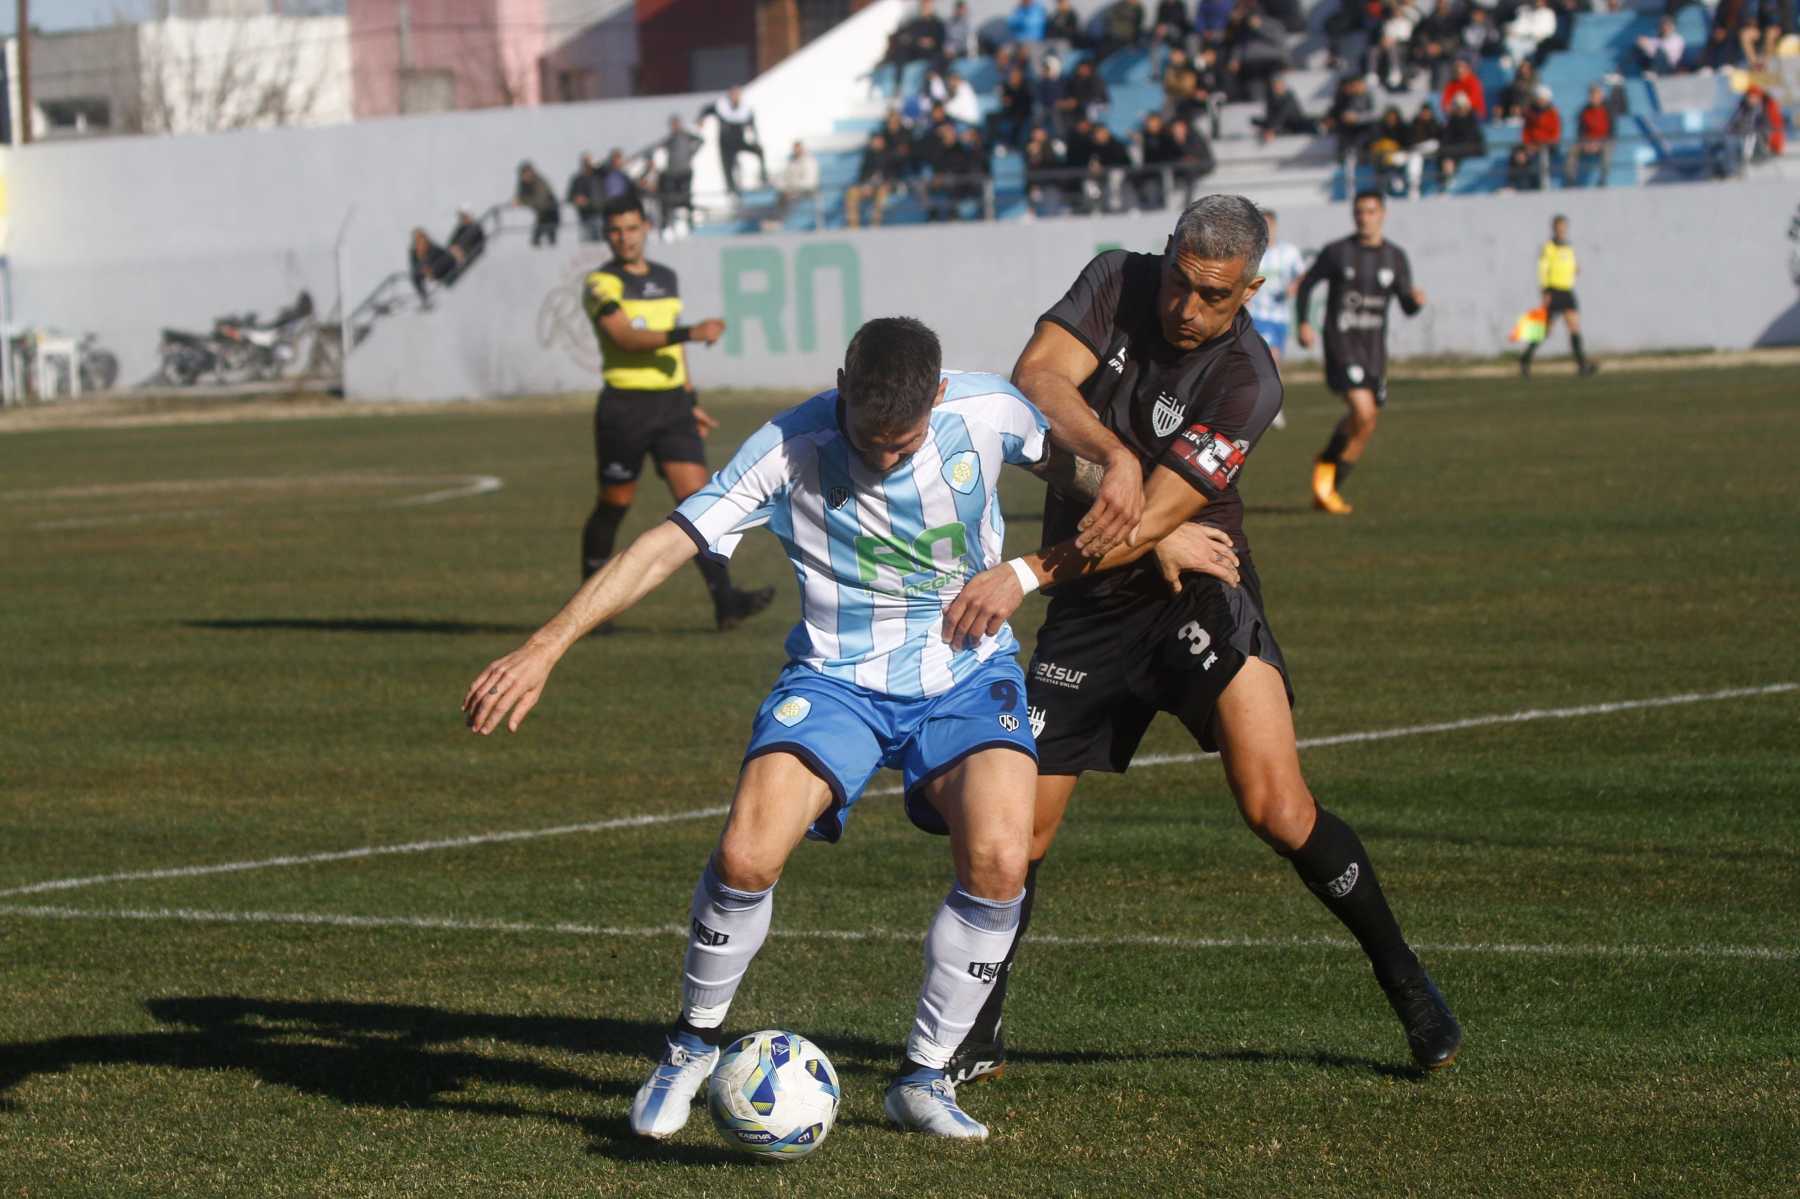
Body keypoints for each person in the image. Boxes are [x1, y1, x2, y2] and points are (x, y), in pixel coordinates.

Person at [465, 318, 1066, 1142]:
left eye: (904, 442)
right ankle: (690, 1045)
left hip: (966, 674)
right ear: (842, 385)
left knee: (1001, 858)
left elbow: (1110, 485)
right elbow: (663, 544)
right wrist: (546, 645)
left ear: (937, 396)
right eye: (868, 437)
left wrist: (1046, 564)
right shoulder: (788, 444)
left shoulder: (991, 411)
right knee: (746, 853)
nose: (885, 458)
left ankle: (925, 1074)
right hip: (833, 678)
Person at [937, 195, 1462, 1086]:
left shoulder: (1248, 379)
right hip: (1092, 608)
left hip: (1197, 593)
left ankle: (1405, 978)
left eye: (1212, 295)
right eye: (1180, 281)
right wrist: (1123, 457)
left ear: (1251, 287)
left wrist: (1031, 570)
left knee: (1277, 808)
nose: (1187, 307)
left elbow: (1157, 525)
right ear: (1167, 254)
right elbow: (1037, 377)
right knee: (1016, 834)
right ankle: (977, 1028)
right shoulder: (1116, 278)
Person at [578, 195, 772, 630]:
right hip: (625, 408)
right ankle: (591, 607)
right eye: (614, 230)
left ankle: (726, 601)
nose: (623, 237)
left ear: (646, 227)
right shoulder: (600, 283)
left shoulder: (666, 278)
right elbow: (625, 337)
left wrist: (691, 401)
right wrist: (692, 331)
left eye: (630, 227)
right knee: (614, 505)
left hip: (671, 407)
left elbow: (675, 352)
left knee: (701, 503)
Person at [1295, 190, 1425, 515]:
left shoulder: (1395, 257)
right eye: (1359, 212)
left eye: (1370, 211)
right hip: (1342, 344)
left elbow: (1407, 306)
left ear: (1383, 214)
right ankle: (1326, 474)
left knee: (1365, 423)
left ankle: (1327, 486)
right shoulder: (1338, 252)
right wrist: (1304, 324)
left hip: (1374, 351)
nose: (1364, 218)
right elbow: (1307, 284)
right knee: (1363, 412)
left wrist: (1416, 302)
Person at [1246, 208, 1305, 428]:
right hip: (1257, 315)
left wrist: (1294, 286)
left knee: (1273, 361)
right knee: (1270, 357)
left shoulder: (1288, 252)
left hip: (1280, 315)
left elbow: (1302, 274)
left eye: (1270, 225)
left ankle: (1267, 404)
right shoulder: (1251, 254)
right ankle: (1272, 408)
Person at [1521, 214, 1598, 379]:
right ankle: (1525, 359)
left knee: (1574, 327)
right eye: (1559, 226)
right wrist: (1545, 291)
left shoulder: (1568, 247)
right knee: (1545, 331)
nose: (1562, 229)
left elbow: (1570, 264)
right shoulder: (1548, 247)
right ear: (1554, 228)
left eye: (1564, 226)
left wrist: (1575, 269)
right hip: (1553, 291)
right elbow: (1543, 269)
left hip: (1567, 291)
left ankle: (1582, 365)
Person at [703, 87, 767, 197]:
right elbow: (706, 110)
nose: (736, 97)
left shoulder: (745, 109)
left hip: (739, 140)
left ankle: (763, 175)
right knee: (728, 165)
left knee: (759, 150)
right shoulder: (722, 107)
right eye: (733, 94)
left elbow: (751, 123)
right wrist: (701, 119)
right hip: (726, 143)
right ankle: (730, 188)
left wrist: (754, 135)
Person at [654, 116, 705, 235]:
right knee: (670, 199)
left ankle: (690, 223)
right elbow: (660, 146)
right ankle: (669, 225)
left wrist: (691, 153)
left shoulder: (686, 136)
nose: (675, 127)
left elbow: (701, 141)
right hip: (672, 172)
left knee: (686, 198)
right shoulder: (670, 138)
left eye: (676, 124)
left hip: (685, 172)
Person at [845, 132, 901, 228]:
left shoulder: (890, 155)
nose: (876, 143)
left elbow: (892, 173)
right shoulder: (867, 156)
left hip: (885, 186)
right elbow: (862, 174)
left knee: (882, 192)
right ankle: (853, 225)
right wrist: (865, 185)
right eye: (874, 141)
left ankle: (875, 224)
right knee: (851, 192)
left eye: (878, 141)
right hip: (868, 186)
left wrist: (884, 183)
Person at [1437, 90, 1486, 185]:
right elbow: (1447, 137)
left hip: (1473, 147)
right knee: (1445, 152)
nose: (1460, 109)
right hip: (1457, 148)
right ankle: (1445, 178)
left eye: (1461, 106)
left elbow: (1471, 138)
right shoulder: (1452, 120)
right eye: (1458, 106)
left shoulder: (1472, 119)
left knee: (1449, 152)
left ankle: (1448, 177)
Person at [1569, 85, 1612, 187]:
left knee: (1607, 151)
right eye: (1592, 96)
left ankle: (1603, 179)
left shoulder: (1608, 111)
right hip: (1587, 141)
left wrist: (1598, 143)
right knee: (1572, 150)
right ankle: (1571, 179)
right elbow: (1580, 131)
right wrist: (1585, 143)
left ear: (1601, 96)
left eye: (1596, 95)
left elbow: (1612, 132)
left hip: (1603, 141)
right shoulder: (1584, 111)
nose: (1594, 98)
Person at [771, 140, 820, 228]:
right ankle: (778, 221)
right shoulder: (791, 161)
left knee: (787, 195)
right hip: (791, 190)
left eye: (798, 148)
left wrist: (793, 188)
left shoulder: (810, 161)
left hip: (807, 190)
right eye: (795, 149)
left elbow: (809, 182)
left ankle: (780, 221)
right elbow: (783, 177)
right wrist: (783, 187)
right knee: (781, 194)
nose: (796, 150)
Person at [1255, 73, 1316, 140]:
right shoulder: (1271, 98)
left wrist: (1271, 129)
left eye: (1279, 85)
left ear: (1284, 86)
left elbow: (1282, 115)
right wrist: (1268, 127)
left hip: (1294, 124)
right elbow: (1270, 115)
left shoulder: (1289, 98)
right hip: (1280, 125)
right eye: (1275, 85)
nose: (1277, 87)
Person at [515, 162, 560, 248]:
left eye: (527, 172)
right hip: (541, 212)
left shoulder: (539, 181)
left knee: (551, 237)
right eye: (523, 174)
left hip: (550, 211)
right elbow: (520, 197)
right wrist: (519, 201)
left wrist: (523, 201)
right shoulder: (523, 184)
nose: (525, 176)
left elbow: (539, 200)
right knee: (536, 239)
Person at [407, 228, 456, 304]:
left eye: (422, 238)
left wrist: (429, 270)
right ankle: (424, 297)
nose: (421, 241)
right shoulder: (413, 252)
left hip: (441, 269)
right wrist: (422, 270)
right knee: (414, 276)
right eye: (418, 239)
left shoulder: (433, 247)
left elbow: (445, 257)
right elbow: (414, 267)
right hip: (428, 272)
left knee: (439, 262)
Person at [568, 153, 605, 242]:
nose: (587, 164)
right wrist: (576, 199)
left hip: (600, 214)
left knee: (602, 243)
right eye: (585, 162)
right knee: (587, 245)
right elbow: (570, 196)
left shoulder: (599, 176)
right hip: (584, 216)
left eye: (589, 161)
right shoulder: (577, 179)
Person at [1440, 56, 1486, 121]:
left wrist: (1464, 106)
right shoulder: (1452, 84)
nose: (1459, 70)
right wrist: (1449, 107)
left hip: (1472, 115)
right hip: (1455, 114)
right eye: (1457, 68)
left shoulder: (1474, 82)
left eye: (1463, 68)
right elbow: (1445, 101)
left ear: (1468, 69)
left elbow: (1474, 99)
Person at [446, 209, 486, 279]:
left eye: (464, 217)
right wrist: (453, 248)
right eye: (462, 217)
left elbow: (478, 248)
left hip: (465, 253)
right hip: (455, 253)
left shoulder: (477, 229)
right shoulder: (460, 228)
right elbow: (451, 242)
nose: (462, 219)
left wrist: (461, 253)